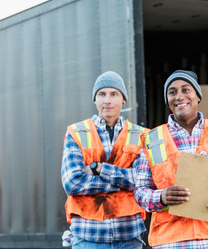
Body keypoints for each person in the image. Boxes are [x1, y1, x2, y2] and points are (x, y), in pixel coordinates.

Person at [134, 70, 208, 248]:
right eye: (172, 92)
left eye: (186, 90)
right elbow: (140, 192)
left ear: (197, 96)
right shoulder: (152, 140)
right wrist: (161, 197)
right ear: (167, 100)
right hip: (171, 242)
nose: (179, 96)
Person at [62, 71, 148, 248]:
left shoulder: (141, 135)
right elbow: (72, 182)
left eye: (114, 94)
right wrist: (125, 183)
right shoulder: (76, 132)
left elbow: (143, 180)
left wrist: (99, 169)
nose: (107, 100)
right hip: (88, 236)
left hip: (129, 235)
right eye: (102, 94)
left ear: (123, 99)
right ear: (95, 99)